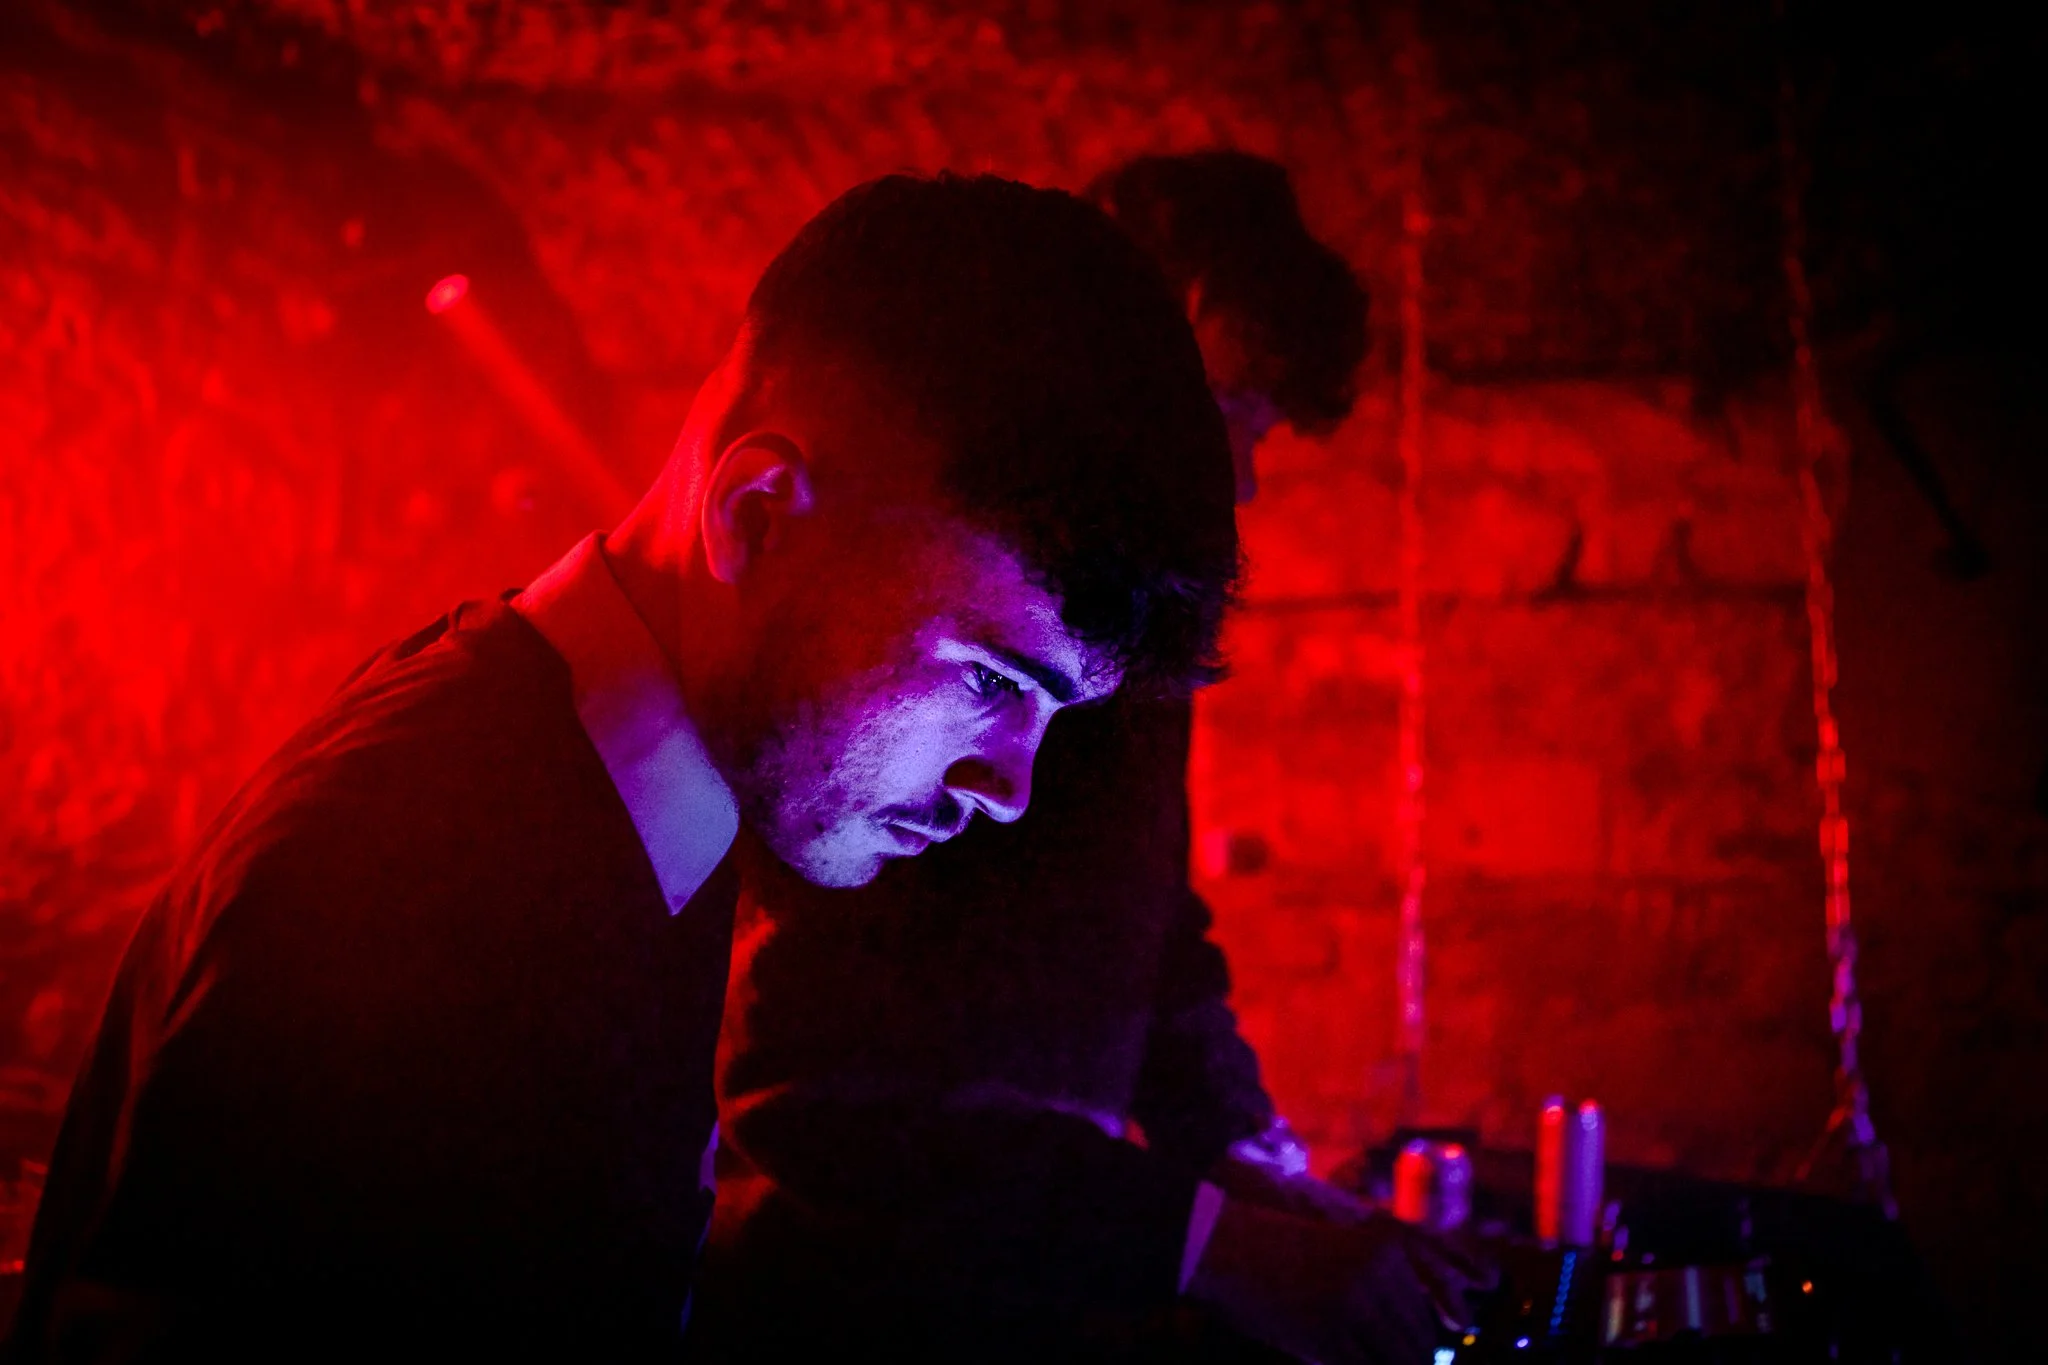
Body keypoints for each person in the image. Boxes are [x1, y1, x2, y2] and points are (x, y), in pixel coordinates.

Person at [2, 172, 1241, 1363]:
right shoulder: (420, 887)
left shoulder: (615, 812)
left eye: (1052, 714)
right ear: (754, 511)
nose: (1009, 788)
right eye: (988, 679)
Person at [703, 153, 1480, 1364]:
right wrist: (1207, 1237)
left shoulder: (1095, 652)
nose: (1239, 474)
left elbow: (1149, 924)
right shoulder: (922, 660)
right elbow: (810, 1094)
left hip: (1024, 1299)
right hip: (843, 1321)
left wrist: (1238, 1161)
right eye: (1229, 411)